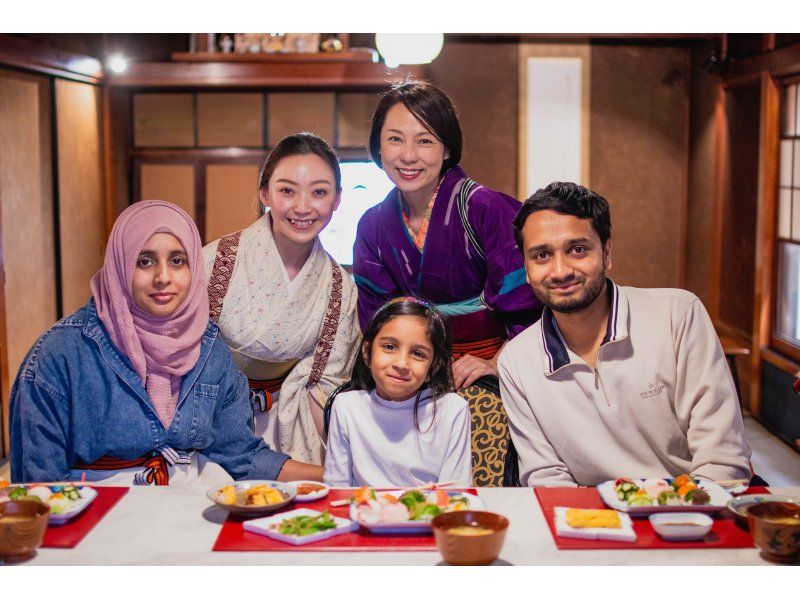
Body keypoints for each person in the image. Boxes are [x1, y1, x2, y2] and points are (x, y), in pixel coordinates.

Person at [10, 200, 320, 485]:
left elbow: (242, 458)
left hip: (189, 512)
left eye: (177, 260)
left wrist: (335, 477)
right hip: (95, 522)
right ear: (119, 265)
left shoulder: (209, 350)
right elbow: (39, 487)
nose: (163, 277)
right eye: (144, 261)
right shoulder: (60, 355)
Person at [499, 181, 752, 487]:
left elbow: (721, 461)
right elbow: (546, 479)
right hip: (588, 522)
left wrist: (679, 520)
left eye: (577, 250)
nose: (560, 270)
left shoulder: (677, 315)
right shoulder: (517, 360)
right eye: (541, 256)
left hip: (691, 512)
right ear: (525, 268)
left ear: (606, 252)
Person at [352, 81, 541, 485]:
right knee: (351, 409)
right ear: (378, 147)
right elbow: (377, 319)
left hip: (487, 366)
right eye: (395, 139)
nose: (408, 155)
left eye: (424, 140)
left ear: (447, 149)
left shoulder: (486, 209)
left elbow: (531, 307)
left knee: (478, 416)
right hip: (410, 365)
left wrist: (496, 363)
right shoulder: (373, 225)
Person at [203, 133, 360, 466]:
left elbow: (326, 385)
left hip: (287, 427)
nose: (302, 207)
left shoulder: (340, 289)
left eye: (319, 192)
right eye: (287, 191)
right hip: (209, 422)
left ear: (337, 199)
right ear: (265, 194)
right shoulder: (214, 262)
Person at [323, 297, 471, 487]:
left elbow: (455, 493)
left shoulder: (453, 410)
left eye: (418, 354)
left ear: (433, 368)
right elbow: (337, 488)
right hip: (363, 514)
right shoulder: (346, 406)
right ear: (367, 353)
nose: (401, 364)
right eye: (389, 347)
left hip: (430, 514)